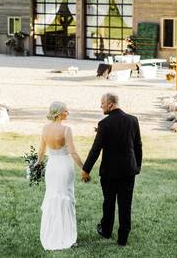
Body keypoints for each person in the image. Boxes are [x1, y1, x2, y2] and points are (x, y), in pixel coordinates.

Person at [81, 93, 142, 247]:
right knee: (125, 204)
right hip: (128, 170)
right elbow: (138, 145)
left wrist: (86, 169)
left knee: (108, 202)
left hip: (109, 171)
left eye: (102, 103)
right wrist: (137, 166)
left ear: (110, 104)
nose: (100, 106)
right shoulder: (133, 120)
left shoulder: (104, 124)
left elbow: (96, 149)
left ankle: (106, 231)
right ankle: (123, 239)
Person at [36, 102, 84, 250]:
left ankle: (51, 233)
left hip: (52, 167)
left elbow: (41, 151)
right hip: (64, 166)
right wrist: (84, 169)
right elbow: (73, 153)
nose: (68, 113)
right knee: (66, 198)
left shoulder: (45, 129)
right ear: (59, 113)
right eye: (66, 111)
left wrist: (37, 163)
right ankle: (67, 236)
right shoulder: (66, 130)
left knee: (52, 197)